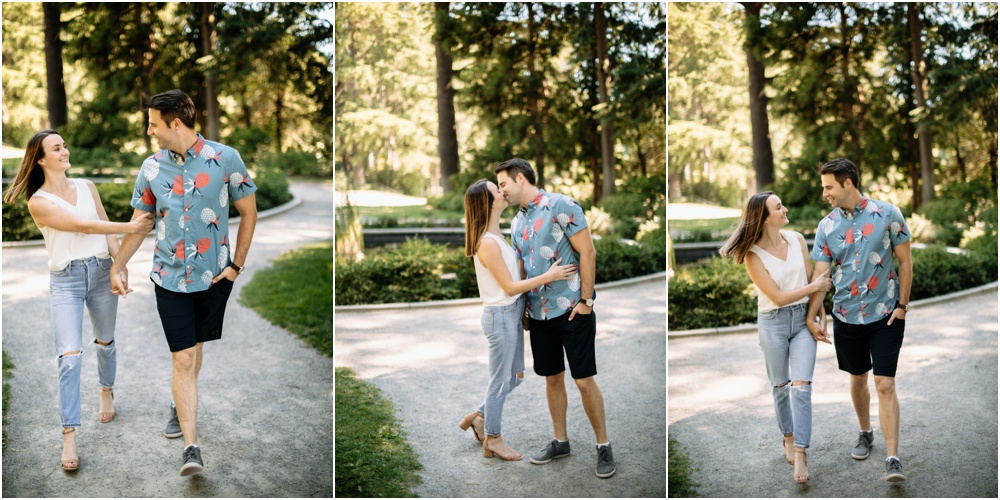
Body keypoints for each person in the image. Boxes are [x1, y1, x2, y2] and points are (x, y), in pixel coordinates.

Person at [108, 90, 258, 476]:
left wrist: (236, 266)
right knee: (183, 356)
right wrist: (118, 265)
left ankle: (180, 403)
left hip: (214, 278)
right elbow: (140, 224)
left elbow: (248, 211)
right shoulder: (151, 168)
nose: (149, 130)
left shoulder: (226, 159)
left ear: (175, 123)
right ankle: (192, 448)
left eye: (154, 123)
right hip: (168, 278)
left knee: (195, 349)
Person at [3, 130, 154, 471]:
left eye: (65, 145)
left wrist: (119, 267)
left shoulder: (87, 186)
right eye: (57, 148)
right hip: (66, 281)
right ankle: (69, 435)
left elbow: (104, 231)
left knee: (105, 340)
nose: (65, 151)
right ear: (41, 159)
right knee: (69, 358)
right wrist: (134, 227)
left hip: (101, 272)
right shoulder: (38, 202)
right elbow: (85, 226)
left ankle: (106, 390)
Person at [493, 158, 616, 478]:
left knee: (584, 379)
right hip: (538, 314)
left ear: (520, 178)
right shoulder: (517, 222)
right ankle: (560, 441)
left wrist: (587, 301)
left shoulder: (562, 205)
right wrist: (523, 310)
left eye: (503, 184)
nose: (501, 191)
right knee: (552, 378)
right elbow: (521, 267)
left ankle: (603, 445)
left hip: (572, 309)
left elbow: (587, 252)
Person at [806, 158, 912, 482]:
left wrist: (903, 305)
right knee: (857, 378)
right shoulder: (826, 226)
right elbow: (820, 277)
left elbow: (905, 262)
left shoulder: (889, 214)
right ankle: (866, 432)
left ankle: (893, 457)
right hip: (847, 317)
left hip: (886, 316)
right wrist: (812, 315)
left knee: (885, 383)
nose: (825, 193)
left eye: (828, 187)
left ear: (847, 183)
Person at [458, 179, 577, 461]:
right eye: (495, 190)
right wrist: (548, 277)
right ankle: (493, 439)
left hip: (511, 313)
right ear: (487, 203)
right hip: (499, 316)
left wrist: (523, 311)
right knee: (500, 381)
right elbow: (510, 287)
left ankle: (478, 416)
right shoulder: (486, 244)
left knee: (516, 377)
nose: (502, 192)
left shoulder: (497, 235)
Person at [719, 191, 832, 483]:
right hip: (774, 323)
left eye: (782, 203)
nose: (784, 209)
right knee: (780, 386)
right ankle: (788, 436)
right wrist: (815, 288)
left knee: (802, 387)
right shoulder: (752, 256)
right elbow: (779, 297)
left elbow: (811, 278)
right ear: (764, 218)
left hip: (802, 322)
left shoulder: (795, 239)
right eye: (778, 207)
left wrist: (820, 314)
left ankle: (802, 454)